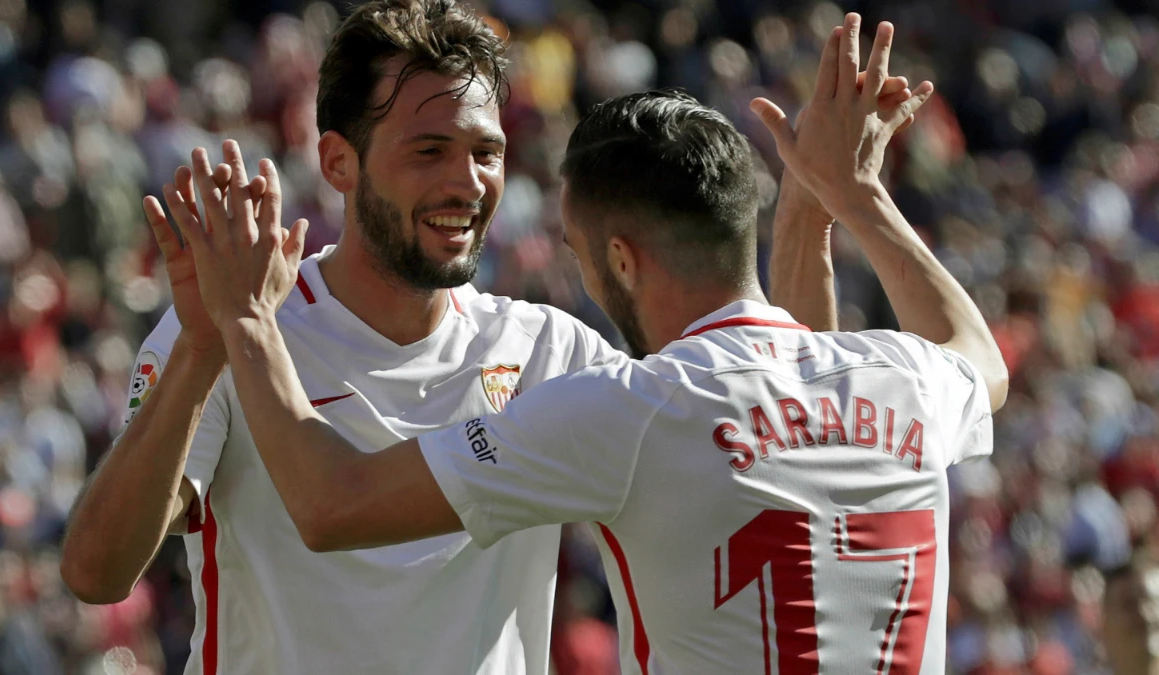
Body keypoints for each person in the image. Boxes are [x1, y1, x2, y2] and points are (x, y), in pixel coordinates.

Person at [59, 0, 916, 670]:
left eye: (486, 150)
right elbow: (98, 571)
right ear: (338, 162)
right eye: (428, 150)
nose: (467, 182)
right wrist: (207, 349)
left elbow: (775, 400)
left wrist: (812, 208)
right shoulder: (230, 324)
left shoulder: (551, 350)